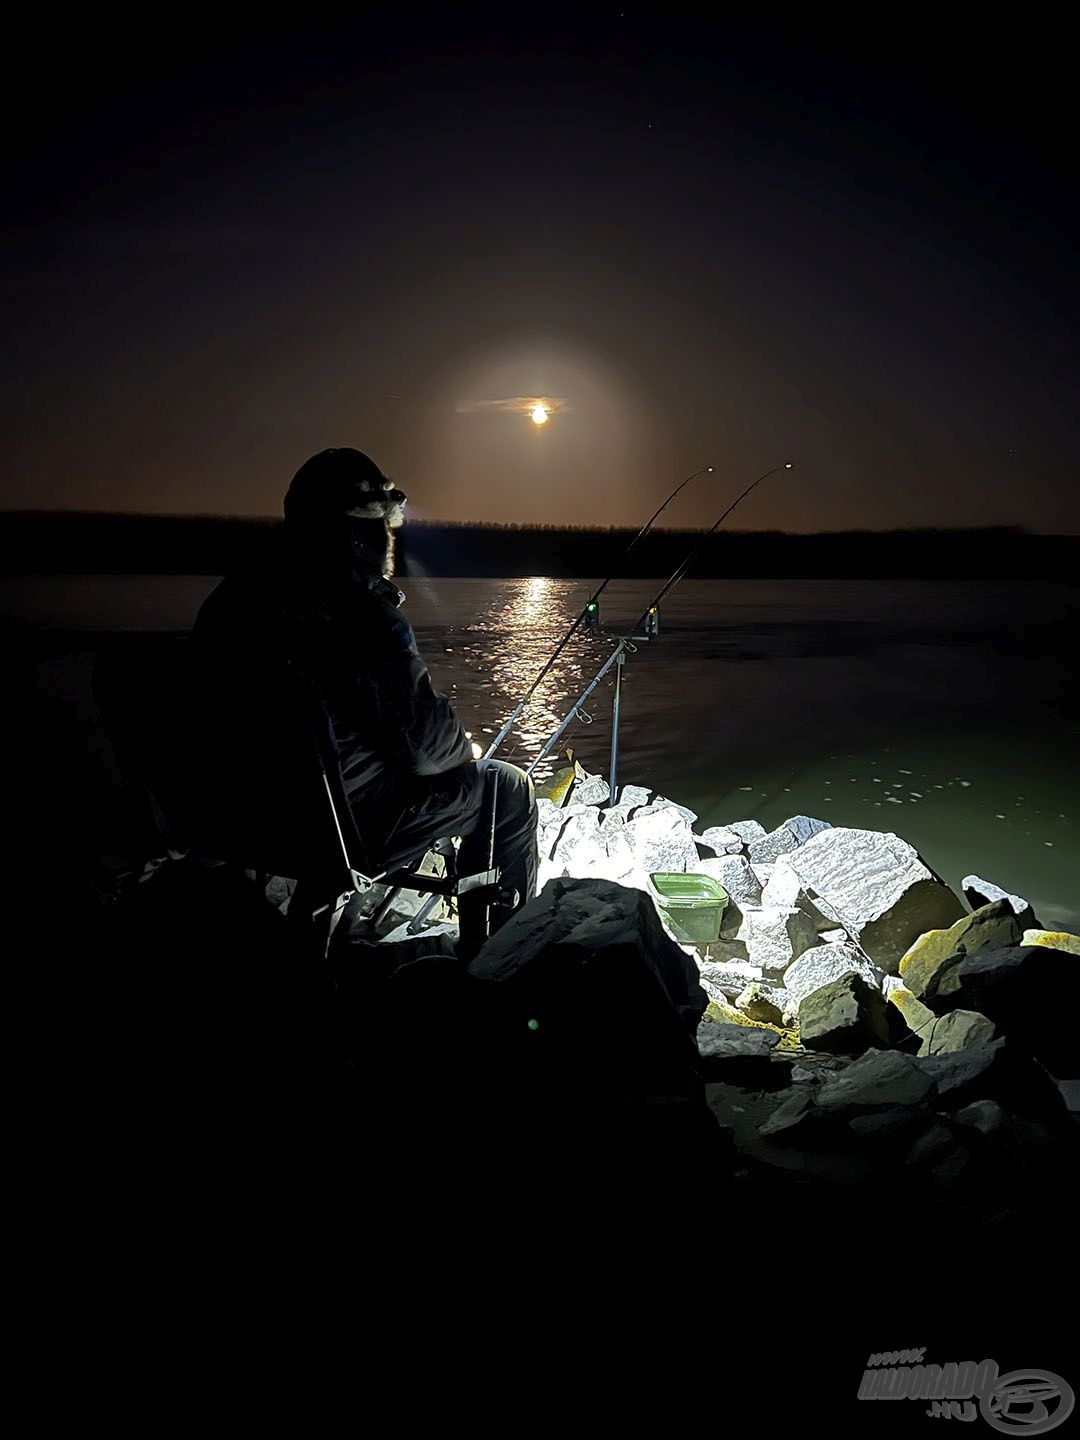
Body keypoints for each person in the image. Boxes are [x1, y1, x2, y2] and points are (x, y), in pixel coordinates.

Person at [192, 447, 537, 926]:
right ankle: (501, 951)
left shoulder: (229, 601)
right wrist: (462, 747)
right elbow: (429, 749)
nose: (388, 538)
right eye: (382, 525)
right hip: (337, 831)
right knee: (506, 785)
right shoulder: (358, 615)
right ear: (356, 534)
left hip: (236, 819)